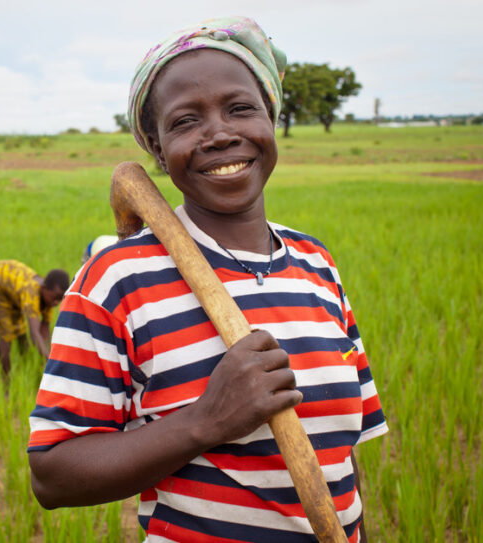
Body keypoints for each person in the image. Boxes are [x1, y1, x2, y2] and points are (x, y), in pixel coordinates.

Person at [28, 16, 387, 542]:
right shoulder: (117, 278)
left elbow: (342, 459)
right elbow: (53, 476)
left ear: (271, 118)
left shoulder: (317, 264)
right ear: (156, 147)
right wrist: (207, 421)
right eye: (185, 121)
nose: (219, 134)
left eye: (240, 108)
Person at [0, 260, 69, 375]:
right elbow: (34, 333)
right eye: (54, 298)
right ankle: (6, 377)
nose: (56, 303)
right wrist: (50, 362)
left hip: (12, 289)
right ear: (44, 288)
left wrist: (51, 354)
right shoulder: (31, 293)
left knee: (20, 328)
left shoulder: (48, 299)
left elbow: (45, 327)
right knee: (7, 332)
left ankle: (25, 365)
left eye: (60, 299)